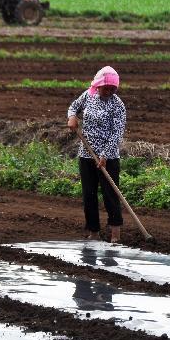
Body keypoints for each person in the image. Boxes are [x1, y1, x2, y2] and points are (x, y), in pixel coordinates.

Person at [67, 66, 126, 243]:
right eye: (105, 88)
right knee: (89, 195)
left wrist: (105, 155)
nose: (108, 91)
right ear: (98, 85)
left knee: (110, 195)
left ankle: (115, 234)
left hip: (108, 158)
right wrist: (72, 117)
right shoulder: (88, 95)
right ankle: (93, 232)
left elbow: (117, 133)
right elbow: (74, 107)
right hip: (86, 155)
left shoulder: (118, 105)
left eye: (112, 89)